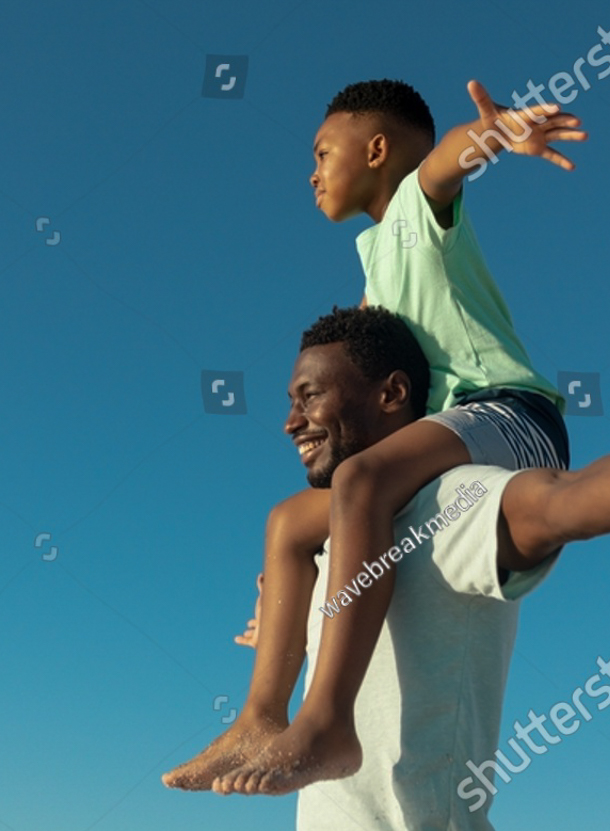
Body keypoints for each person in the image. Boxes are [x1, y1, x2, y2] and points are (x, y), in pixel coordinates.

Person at [172, 293, 610, 825]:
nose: (291, 420)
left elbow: (565, 502)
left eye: (309, 395)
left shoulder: (450, 500)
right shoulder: (328, 543)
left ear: (392, 394)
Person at [165, 77, 586, 794]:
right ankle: (261, 713)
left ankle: (328, 722)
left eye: (323, 152)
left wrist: (495, 134)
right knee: (292, 522)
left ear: (378, 149)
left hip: (509, 415)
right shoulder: (371, 270)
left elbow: (447, 160)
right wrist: (299, 587)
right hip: (447, 436)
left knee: (358, 481)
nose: (311, 171)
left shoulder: (414, 217)